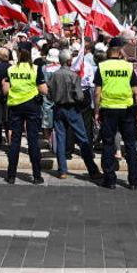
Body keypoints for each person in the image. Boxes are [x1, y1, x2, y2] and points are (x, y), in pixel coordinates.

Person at [94, 40, 137, 190]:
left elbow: (97, 92)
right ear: (120, 52)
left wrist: (96, 111)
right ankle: (134, 181)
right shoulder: (128, 67)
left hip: (108, 109)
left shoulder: (102, 67)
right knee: (130, 145)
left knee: (108, 144)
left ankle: (110, 180)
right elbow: (136, 92)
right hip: (126, 109)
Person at [48, 48, 101, 180]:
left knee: (61, 139)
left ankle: (62, 170)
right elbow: (79, 96)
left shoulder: (54, 75)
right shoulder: (74, 76)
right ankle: (92, 170)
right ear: (69, 61)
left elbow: (49, 94)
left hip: (58, 108)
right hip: (72, 108)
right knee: (83, 138)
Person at [2, 43, 47, 185]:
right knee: (33, 140)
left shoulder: (11, 69)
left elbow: (5, 91)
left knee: (15, 140)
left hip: (16, 107)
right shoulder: (36, 69)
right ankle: (37, 175)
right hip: (32, 106)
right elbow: (44, 90)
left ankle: (11, 175)